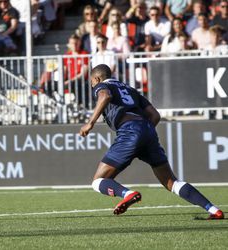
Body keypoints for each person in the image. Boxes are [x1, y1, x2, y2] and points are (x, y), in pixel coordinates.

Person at [79, 64, 224, 220]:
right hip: (147, 130)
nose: (93, 86)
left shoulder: (103, 85)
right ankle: (214, 210)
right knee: (172, 183)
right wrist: (143, 134)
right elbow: (155, 115)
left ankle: (128, 194)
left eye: (92, 83)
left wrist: (91, 122)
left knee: (98, 181)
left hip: (129, 131)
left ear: (97, 78)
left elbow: (105, 96)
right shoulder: (130, 90)